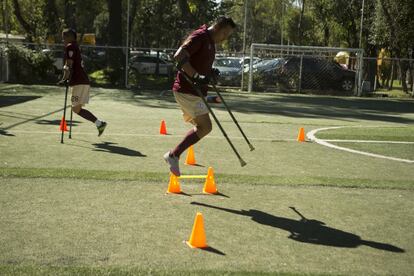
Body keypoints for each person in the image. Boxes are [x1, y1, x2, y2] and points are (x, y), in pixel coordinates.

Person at [164, 17, 236, 176]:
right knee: (205, 127)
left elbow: (198, 63)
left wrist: (209, 73)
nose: (224, 38)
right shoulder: (200, 36)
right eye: (224, 33)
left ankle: (173, 154)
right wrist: (196, 76)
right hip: (187, 90)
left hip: (194, 92)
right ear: (217, 27)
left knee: (205, 127)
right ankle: (173, 155)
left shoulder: (210, 42)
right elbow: (179, 55)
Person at [58, 28, 107, 136]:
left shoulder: (70, 46)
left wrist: (64, 79)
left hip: (79, 82)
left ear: (70, 37)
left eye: (64, 37)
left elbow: (69, 65)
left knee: (75, 109)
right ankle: (99, 123)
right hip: (81, 81)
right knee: (76, 108)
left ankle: (100, 123)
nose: (63, 40)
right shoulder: (75, 46)